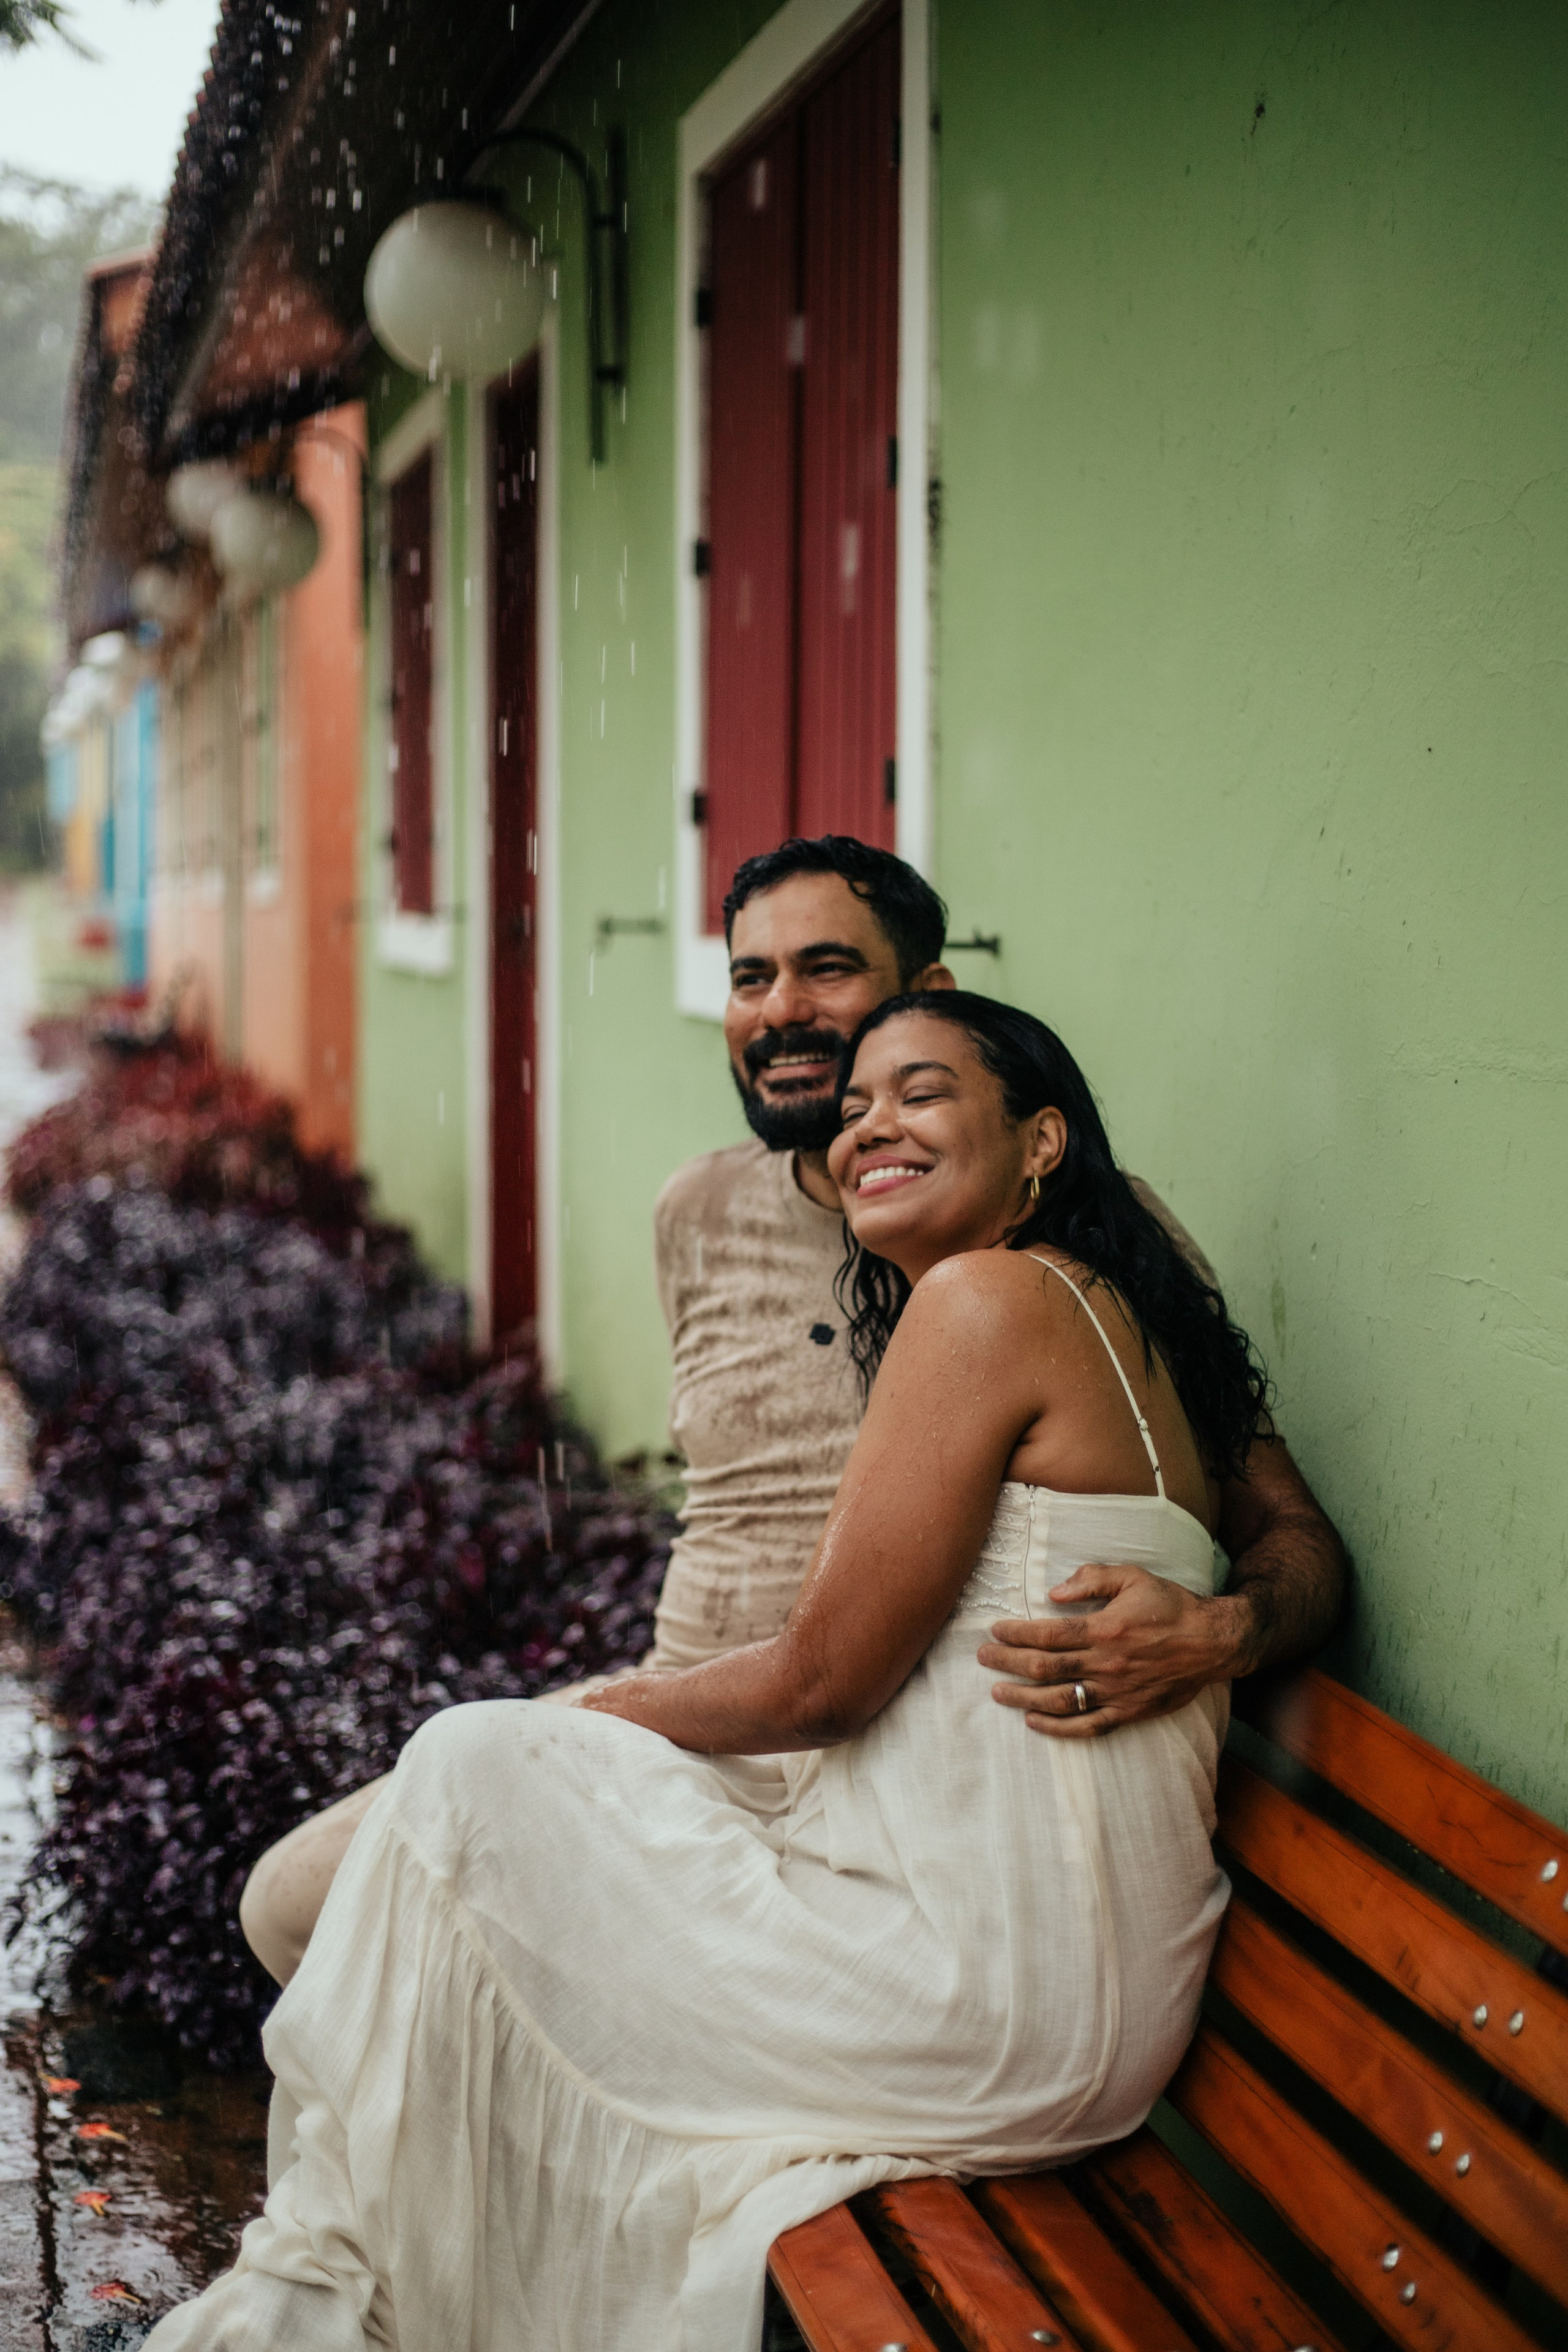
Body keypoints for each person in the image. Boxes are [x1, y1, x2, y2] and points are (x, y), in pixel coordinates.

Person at [146, 992, 1272, 2352]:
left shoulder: (987, 1301)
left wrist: (587, 1716)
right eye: (855, 1108)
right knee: (483, 1801)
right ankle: (334, 2293)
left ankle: (324, 2297)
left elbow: (821, 1688)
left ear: (1040, 1142)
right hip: (1050, 1968)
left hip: (985, 1992)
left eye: (919, 1095)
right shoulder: (1105, 1311)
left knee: (470, 1770)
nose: (869, 1129)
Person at [239, 837, 1345, 1984]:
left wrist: (1225, 1632)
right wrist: (606, 1718)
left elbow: (1297, 1537)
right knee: (296, 1908)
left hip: (885, 1770)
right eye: (750, 977)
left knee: (440, 1946)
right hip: (692, 1722)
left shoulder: (1086, 1252)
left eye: (826, 969)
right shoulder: (701, 1211)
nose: (780, 1012)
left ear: (929, 998)